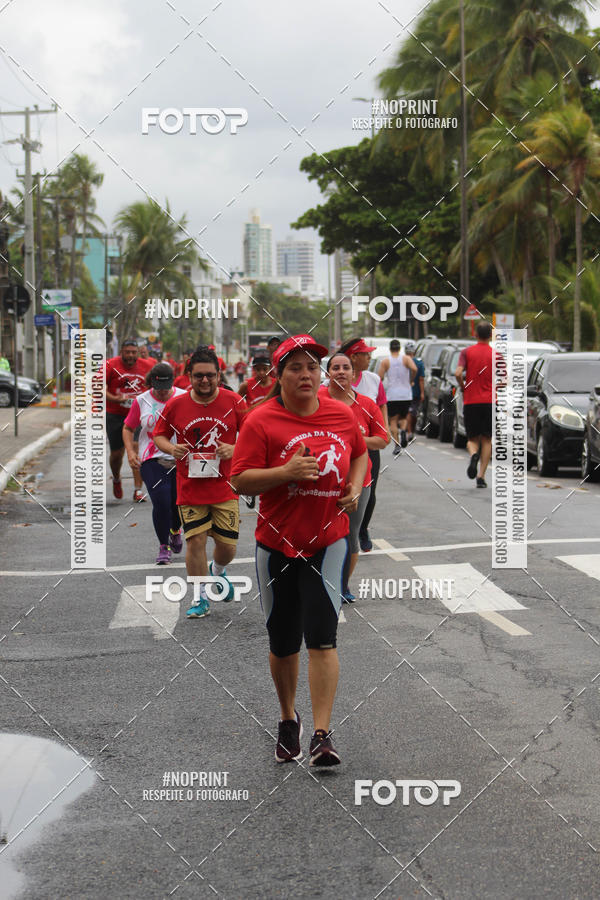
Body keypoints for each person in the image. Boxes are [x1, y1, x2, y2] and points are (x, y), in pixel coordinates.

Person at [231, 335, 368, 766]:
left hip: (329, 542)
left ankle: (323, 735)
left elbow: (360, 454)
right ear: (279, 375)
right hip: (276, 546)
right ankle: (288, 718)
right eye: (295, 368)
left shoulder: (341, 413)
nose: (306, 374)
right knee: (283, 642)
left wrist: (354, 488)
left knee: (323, 639)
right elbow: (239, 479)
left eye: (312, 366)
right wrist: (286, 471)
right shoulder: (261, 420)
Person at [152, 347, 247, 617]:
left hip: (225, 486)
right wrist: (172, 449)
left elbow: (252, 434)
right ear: (189, 376)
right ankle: (200, 597)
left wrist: (234, 448)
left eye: (210, 375)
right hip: (190, 487)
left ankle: (218, 570)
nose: (205, 381)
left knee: (227, 547)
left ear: (219, 375)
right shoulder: (176, 404)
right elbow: (159, 435)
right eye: (198, 376)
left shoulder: (234, 401)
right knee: (195, 541)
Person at [320, 353, 389, 602]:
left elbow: (383, 439)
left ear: (353, 373)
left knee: (350, 535)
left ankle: (342, 586)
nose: (340, 371)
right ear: (327, 373)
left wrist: (355, 439)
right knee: (320, 534)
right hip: (322, 481)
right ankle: (318, 582)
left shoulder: (367, 405)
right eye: (335, 368)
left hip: (359, 482)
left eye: (345, 368)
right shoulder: (316, 400)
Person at [123, 364, 187, 564]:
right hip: (152, 459)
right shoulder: (142, 401)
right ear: (152, 382)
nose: (163, 391)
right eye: (159, 387)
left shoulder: (184, 397)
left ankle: (175, 530)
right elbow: (128, 428)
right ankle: (163, 546)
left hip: (180, 458)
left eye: (166, 387)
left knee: (177, 503)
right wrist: (130, 451)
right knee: (161, 502)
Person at [340, 337, 388, 553]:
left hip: (368, 447)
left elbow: (382, 406)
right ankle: (342, 531)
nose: (369, 357)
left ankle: (362, 528)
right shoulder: (331, 384)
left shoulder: (374, 380)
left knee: (369, 491)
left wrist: (384, 430)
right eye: (365, 354)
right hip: (341, 450)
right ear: (353, 357)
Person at [103, 339, 152, 501]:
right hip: (115, 414)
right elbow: (99, 388)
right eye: (127, 352)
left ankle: (138, 490)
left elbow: (154, 388)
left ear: (138, 353)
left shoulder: (147, 366)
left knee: (136, 448)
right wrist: (115, 398)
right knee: (117, 454)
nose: (131, 355)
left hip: (138, 415)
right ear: (121, 352)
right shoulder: (110, 365)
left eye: (133, 352)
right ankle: (117, 478)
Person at [455, 321, 495, 488]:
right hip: (490, 402)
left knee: (472, 439)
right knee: (487, 439)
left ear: (476, 335)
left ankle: (473, 455)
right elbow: (504, 379)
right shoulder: (496, 355)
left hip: (471, 401)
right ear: (491, 336)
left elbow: (458, 373)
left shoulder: (466, 352)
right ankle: (481, 477)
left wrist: (463, 386)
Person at [377, 339, 416, 455]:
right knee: (403, 417)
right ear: (399, 349)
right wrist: (411, 380)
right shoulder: (406, 359)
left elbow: (380, 377)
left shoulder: (386, 361)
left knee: (393, 420)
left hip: (392, 395)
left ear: (390, 349)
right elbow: (414, 369)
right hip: (406, 394)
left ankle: (397, 445)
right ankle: (403, 430)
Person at [405, 340, 425, 441]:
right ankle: (410, 431)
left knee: (409, 412)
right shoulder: (419, 362)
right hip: (415, 392)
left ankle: (409, 431)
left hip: (405, 392)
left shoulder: (403, 362)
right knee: (413, 412)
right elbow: (421, 379)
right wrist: (422, 392)